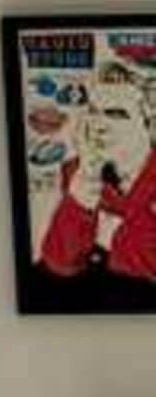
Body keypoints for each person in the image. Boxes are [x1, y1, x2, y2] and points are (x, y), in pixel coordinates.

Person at [35, 58, 156, 284]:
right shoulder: (77, 172)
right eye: (93, 111)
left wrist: (106, 235)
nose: (98, 124)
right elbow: (60, 262)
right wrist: (87, 178)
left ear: (149, 124)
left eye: (115, 114)